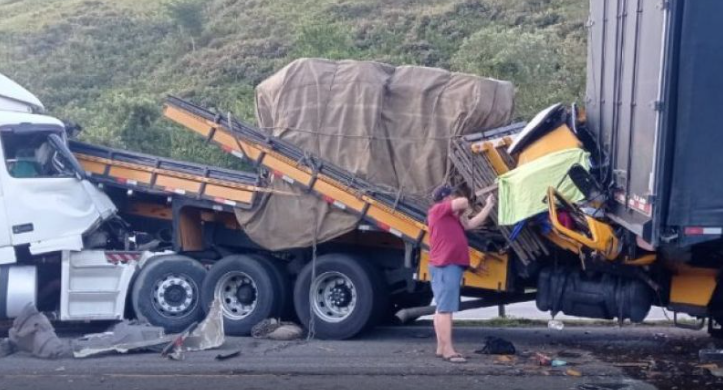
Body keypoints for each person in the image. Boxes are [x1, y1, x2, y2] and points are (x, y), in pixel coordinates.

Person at [427, 184, 495, 363]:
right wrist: (462, 204)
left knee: (442, 308)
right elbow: (463, 201)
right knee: (445, 309)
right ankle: (449, 351)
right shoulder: (438, 210)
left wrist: (488, 206)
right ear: (445, 198)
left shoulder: (451, 217)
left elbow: (471, 224)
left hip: (450, 264)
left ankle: (442, 348)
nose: (454, 197)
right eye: (452, 196)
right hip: (445, 264)